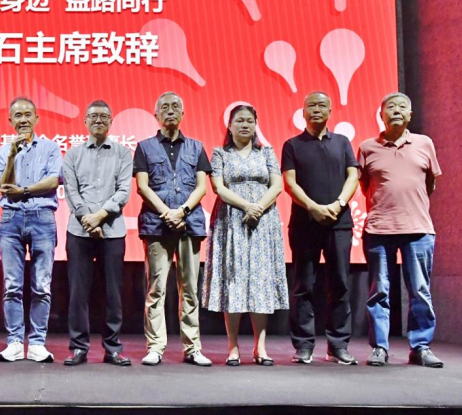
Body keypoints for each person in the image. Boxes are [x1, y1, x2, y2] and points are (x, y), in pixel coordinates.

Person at [358, 93, 443, 368]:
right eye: (390, 107)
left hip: (418, 229)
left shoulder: (424, 143)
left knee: (419, 290)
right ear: (381, 115)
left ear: (410, 115)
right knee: (379, 292)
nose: (396, 110)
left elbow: (430, 184)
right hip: (379, 229)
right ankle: (379, 347)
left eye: (402, 107)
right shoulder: (367, 147)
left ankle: (421, 347)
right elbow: (365, 186)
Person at [202, 105, 288, 366]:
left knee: (260, 281)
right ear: (229, 126)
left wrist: (258, 208)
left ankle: (260, 348)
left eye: (250, 121)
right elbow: (218, 187)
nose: (244, 125)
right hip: (231, 221)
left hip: (263, 221)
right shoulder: (220, 153)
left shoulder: (267, 152)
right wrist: (246, 207)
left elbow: (277, 185)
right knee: (234, 280)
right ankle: (233, 347)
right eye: (239, 121)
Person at [135, 91, 212, 367]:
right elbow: (142, 186)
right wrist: (166, 213)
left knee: (189, 288)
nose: (170, 111)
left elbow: (202, 187)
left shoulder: (196, 147)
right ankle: (155, 346)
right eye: (165, 107)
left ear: (183, 113)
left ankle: (192, 348)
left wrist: (182, 212)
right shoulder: (144, 147)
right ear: (156, 114)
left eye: (175, 106)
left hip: (189, 225)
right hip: (156, 225)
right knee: (156, 288)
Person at [282, 91, 359, 365]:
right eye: (311, 106)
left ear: (330, 111)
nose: (316, 109)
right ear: (303, 113)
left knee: (340, 284)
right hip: (305, 224)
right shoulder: (292, 145)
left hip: (339, 223)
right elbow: (289, 182)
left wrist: (339, 204)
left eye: (321, 105)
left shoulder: (342, 142)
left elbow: (353, 175)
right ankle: (304, 346)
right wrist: (312, 207)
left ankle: (338, 345)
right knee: (303, 285)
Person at [61, 100, 133, 366]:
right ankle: (79, 347)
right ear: (85, 121)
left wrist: (100, 216)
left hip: (112, 231)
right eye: (93, 116)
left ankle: (112, 348)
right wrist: (88, 219)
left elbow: (123, 191)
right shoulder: (72, 154)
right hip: (79, 232)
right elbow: (71, 191)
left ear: (111, 121)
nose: (98, 120)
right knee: (78, 293)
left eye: (104, 116)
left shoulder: (123, 154)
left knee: (112, 293)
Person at [0, 97, 63, 363]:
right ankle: (13, 341)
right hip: (11, 218)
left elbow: (53, 181)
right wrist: (12, 155)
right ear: (10, 120)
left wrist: (23, 190)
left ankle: (36, 343)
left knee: (41, 286)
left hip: (42, 218)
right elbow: (3, 185)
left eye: (27, 114)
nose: (23, 119)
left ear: (36, 118)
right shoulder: (2, 151)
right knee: (12, 286)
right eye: (18, 115)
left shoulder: (51, 148)